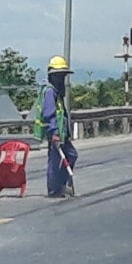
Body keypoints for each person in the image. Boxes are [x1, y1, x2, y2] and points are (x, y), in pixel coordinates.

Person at [39, 55, 79, 198]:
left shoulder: (57, 92)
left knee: (70, 156)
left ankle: (60, 185)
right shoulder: (50, 92)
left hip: (61, 132)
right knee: (56, 160)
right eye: (59, 76)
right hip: (56, 132)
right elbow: (49, 113)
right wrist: (54, 132)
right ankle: (55, 189)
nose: (61, 79)